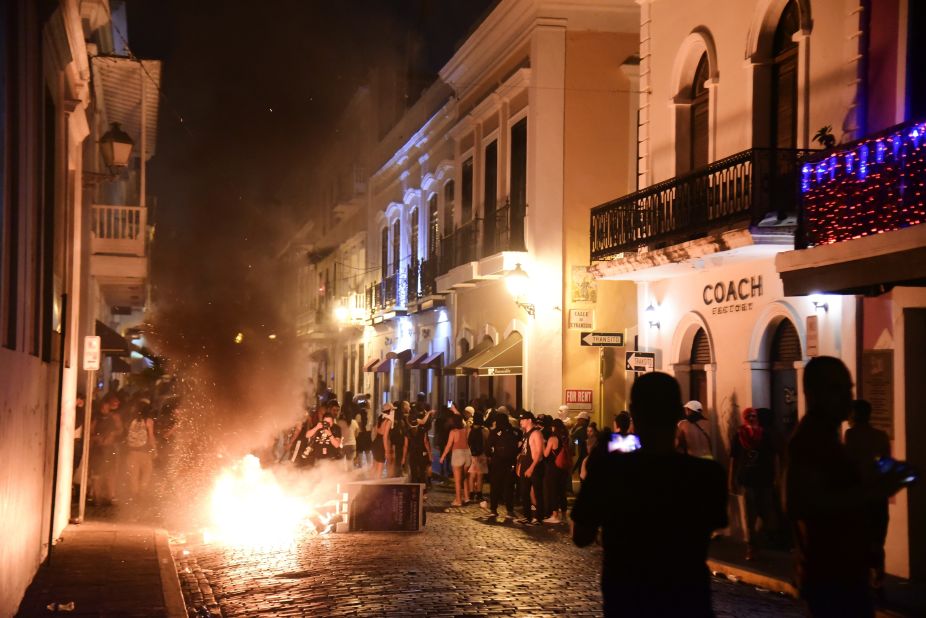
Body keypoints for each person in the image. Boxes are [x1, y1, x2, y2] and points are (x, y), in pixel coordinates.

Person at [572, 372, 727, 617]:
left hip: (629, 600)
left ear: (634, 413)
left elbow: (581, 535)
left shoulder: (610, 470)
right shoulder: (709, 475)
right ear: (678, 413)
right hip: (687, 600)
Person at [784, 357, 908, 618]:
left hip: (844, 572)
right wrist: (872, 491)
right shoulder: (810, 442)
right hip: (831, 575)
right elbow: (802, 504)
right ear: (815, 394)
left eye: (848, 389)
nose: (847, 397)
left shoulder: (834, 439)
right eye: (837, 389)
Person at [844, 399, 892, 594]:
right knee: (877, 537)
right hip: (877, 493)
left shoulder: (851, 435)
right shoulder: (881, 436)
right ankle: (878, 574)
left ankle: (865, 577)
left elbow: (848, 464)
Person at [729, 407, 776, 561]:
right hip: (747, 478)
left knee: (768, 515)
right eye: (748, 415)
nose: (751, 418)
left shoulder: (765, 434)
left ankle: (759, 541)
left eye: (753, 415)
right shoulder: (739, 435)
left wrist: (778, 475)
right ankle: (752, 546)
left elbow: (775, 456)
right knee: (750, 514)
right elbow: (734, 458)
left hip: (765, 478)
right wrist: (731, 479)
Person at [89, 392, 123, 505]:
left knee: (110, 472)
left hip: (109, 448)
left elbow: (120, 430)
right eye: (114, 401)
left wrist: (112, 434)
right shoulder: (96, 416)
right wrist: (96, 438)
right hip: (97, 449)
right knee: (97, 473)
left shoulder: (115, 416)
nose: (116, 403)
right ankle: (96, 497)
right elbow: (90, 430)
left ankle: (111, 496)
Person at [485, 409, 519, 519]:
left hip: (497, 463)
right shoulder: (515, 432)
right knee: (509, 487)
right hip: (511, 463)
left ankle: (494, 509)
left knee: (495, 487)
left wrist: (490, 456)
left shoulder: (495, 432)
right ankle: (510, 510)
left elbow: (488, 447)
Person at [123, 398, 157, 503]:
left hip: (131, 452)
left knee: (133, 477)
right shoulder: (149, 421)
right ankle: (141, 498)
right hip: (144, 453)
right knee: (146, 475)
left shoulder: (129, 420)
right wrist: (155, 449)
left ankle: (134, 499)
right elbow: (151, 437)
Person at [516, 411, 545, 525]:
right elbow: (523, 452)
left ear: (529, 420)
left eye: (523, 419)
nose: (521, 422)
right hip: (525, 465)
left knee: (537, 492)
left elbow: (538, 453)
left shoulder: (536, 433)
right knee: (525, 492)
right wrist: (519, 466)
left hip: (534, 466)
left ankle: (538, 517)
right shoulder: (525, 433)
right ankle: (527, 516)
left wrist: (532, 467)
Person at [439, 414, 471, 506]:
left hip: (458, 454)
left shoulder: (453, 432)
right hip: (467, 453)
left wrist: (443, 457)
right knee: (465, 477)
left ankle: (458, 500)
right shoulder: (466, 430)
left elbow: (449, 446)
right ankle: (467, 497)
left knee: (457, 480)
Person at [542, 418, 569, 524]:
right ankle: (564, 515)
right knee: (562, 492)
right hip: (563, 468)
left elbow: (545, 454)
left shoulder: (553, 438)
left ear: (554, 427)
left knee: (553, 491)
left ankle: (555, 515)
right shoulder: (565, 437)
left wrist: (544, 443)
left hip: (553, 468)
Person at [407, 409, 433, 488]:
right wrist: (430, 454)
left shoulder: (408, 431)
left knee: (414, 473)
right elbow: (426, 443)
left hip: (412, 453)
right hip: (422, 452)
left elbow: (405, 445)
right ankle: (423, 492)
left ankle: (414, 491)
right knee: (422, 472)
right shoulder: (423, 431)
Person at [467, 410, 489, 501]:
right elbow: (487, 442)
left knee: (472, 474)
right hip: (482, 454)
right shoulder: (485, 430)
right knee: (480, 475)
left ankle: (471, 493)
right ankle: (479, 493)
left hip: (472, 454)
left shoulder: (470, 429)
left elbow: (467, 442)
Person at [370, 403, 393, 479]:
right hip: (381, 444)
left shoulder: (380, 418)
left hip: (376, 442)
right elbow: (385, 436)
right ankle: (376, 486)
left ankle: (369, 484)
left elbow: (374, 431)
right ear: (389, 411)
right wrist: (387, 451)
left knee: (374, 467)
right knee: (380, 468)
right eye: (392, 409)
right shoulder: (388, 421)